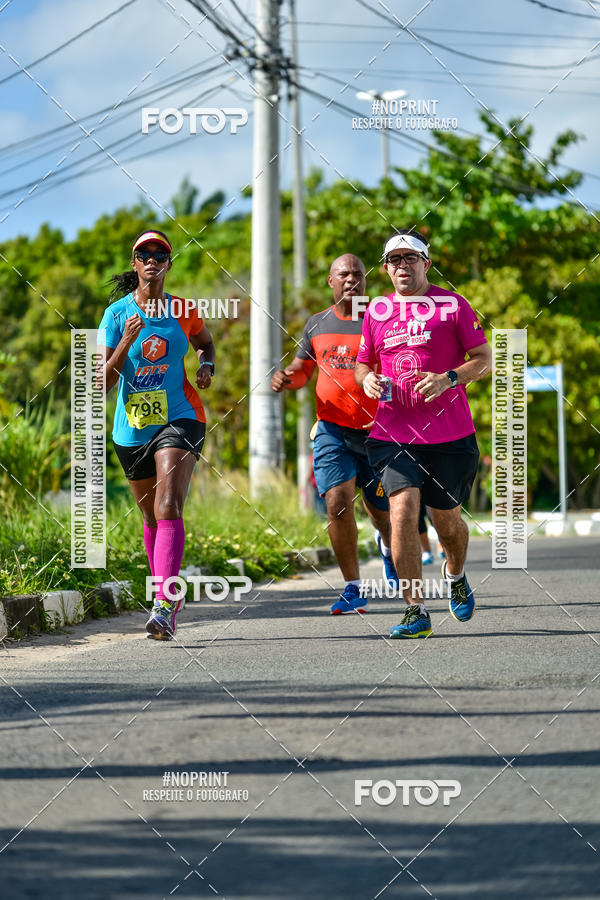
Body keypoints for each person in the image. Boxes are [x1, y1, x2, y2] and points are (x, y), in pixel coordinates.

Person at [355, 229, 492, 638]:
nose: (402, 266)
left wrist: (450, 378)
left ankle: (457, 574)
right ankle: (415, 611)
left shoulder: (453, 305)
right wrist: (367, 381)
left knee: (446, 523)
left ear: (426, 264)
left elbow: (484, 360)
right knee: (402, 513)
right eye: (394, 260)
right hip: (393, 434)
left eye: (410, 258)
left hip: (449, 437)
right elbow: (364, 363)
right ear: (385, 269)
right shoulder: (376, 312)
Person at [98, 229, 215, 640]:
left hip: (181, 417)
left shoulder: (183, 309)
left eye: (159, 253)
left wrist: (207, 366)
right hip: (131, 428)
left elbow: (205, 342)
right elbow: (101, 383)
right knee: (149, 515)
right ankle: (164, 588)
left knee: (168, 504)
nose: (151, 259)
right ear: (134, 264)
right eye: (143, 254)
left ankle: (163, 605)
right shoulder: (115, 316)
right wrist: (123, 344)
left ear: (168, 263)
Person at [270, 253, 397, 615]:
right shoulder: (317, 324)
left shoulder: (382, 319)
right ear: (331, 281)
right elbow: (302, 370)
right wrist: (286, 379)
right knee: (337, 503)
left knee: (382, 513)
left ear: (367, 280)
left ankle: (388, 548)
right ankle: (353, 587)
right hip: (332, 431)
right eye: (343, 275)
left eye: (358, 274)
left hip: (379, 433)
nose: (351, 280)